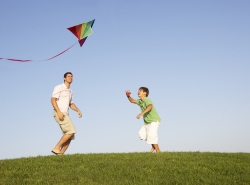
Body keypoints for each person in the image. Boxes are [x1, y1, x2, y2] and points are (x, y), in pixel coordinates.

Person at [51, 72, 82, 155]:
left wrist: (78, 110)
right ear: (64, 78)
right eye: (68, 76)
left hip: (65, 114)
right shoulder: (59, 87)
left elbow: (71, 104)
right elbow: (53, 100)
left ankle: (60, 154)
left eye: (71, 76)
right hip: (60, 113)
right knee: (71, 131)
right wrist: (58, 112)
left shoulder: (70, 91)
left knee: (70, 136)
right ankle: (56, 148)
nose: (70, 77)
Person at [125, 87, 161, 153]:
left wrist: (141, 114)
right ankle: (153, 146)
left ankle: (158, 151)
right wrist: (128, 96)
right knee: (141, 134)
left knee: (152, 135)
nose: (138, 92)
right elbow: (132, 101)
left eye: (140, 91)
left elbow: (150, 106)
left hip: (154, 120)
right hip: (147, 122)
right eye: (138, 91)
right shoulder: (140, 101)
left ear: (145, 93)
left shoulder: (147, 99)